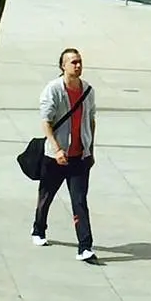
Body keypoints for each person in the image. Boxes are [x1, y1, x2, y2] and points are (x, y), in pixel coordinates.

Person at [31, 48, 97, 260]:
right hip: (56, 157)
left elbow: (91, 120)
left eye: (79, 62)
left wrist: (91, 149)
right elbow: (46, 122)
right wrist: (57, 149)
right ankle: (39, 229)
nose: (77, 66)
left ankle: (85, 246)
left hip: (80, 157)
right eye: (73, 62)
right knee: (46, 196)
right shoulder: (53, 89)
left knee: (79, 201)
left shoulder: (87, 90)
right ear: (63, 66)